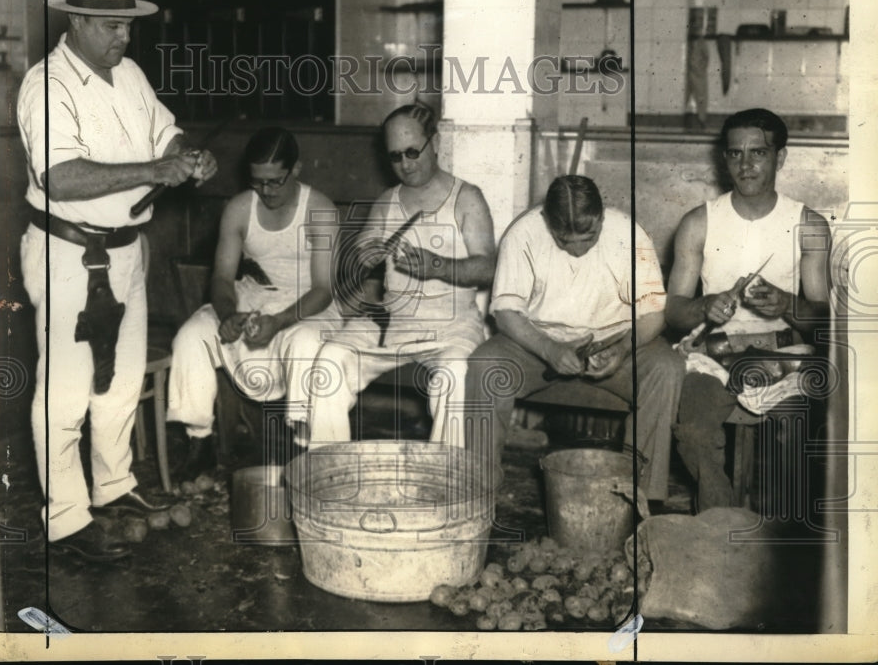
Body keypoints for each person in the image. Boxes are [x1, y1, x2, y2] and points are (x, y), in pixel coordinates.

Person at [17, 0, 217, 562]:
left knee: (122, 382)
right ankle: (67, 520)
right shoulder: (45, 86)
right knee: (68, 389)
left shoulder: (127, 74)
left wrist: (187, 155)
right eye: (108, 26)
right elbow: (61, 176)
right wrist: (155, 171)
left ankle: (113, 489)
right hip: (68, 252)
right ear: (75, 20)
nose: (122, 38)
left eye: (127, 26)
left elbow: (165, 135)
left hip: (127, 251)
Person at [465, 175, 685, 501]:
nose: (579, 250)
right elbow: (506, 313)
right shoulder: (523, 233)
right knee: (485, 366)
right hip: (539, 340)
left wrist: (623, 349)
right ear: (546, 221)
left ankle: (641, 498)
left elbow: (654, 313)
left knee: (665, 367)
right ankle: (478, 493)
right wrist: (548, 348)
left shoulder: (629, 234)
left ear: (601, 217)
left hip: (614, 337)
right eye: (565, 241)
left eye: (590, 236)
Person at [297, 103, 496, 446]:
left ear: (435, 143)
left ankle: (448, 479)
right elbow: (355, 261)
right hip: (394, 322)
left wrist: (439, 265)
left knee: (455, 375)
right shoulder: (387, 202)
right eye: (395, 157)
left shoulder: (466, 199)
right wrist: (363, 255)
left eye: (412, 152)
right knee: (329, 359)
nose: (405, 164)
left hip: (450, 327)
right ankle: (327, 469)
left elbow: (489, 268)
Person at [666, 108, 830, 512]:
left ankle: (787, 540)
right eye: (735, 154)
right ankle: (718, 527)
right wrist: (705, 306)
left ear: (781, 157)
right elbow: (671, 312)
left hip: (786, 356)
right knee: (694, 431)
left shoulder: (807, 224)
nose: (746, 164)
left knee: (798, 428)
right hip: (716, 356)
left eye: (758, 153)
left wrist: (788, 305)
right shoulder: (698, 223)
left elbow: (824, 320)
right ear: (724, 159)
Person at [167, 127, 342, 479]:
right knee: (192, 335)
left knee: (305, 343)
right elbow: (221, 278)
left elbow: (324, 289)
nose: (266, 191)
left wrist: (278, 322)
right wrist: (229, 314)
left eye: (275, 181)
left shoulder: (320, 209)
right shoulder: (239, 208)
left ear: (296, 169)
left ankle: (303, 449)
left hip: (308, 305)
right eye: (257, 182)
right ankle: (199, 439)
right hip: (253, 296)